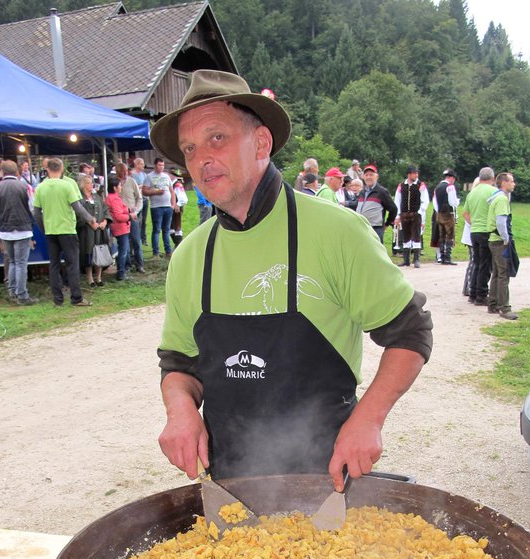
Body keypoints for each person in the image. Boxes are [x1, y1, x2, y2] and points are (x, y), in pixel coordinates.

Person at [151, 69, 432, 487]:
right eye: (189, 149)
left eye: (217, 138)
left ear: (261, 142)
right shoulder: (191, 254)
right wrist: (180, 411)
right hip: (229, 481)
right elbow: (179, 361)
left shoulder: (337, 231)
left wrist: (368, 420)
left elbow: (411, 333)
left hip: (327, 473)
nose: (201, 159)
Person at [33, 156, 96, 307]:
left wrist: (44, 228)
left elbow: (36, 212)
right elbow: (77, 207)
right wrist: (90, 218)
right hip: (67, 229)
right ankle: (76, 298)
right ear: (61, 169)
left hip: (51, 231)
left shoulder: (41, 187)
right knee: (72, 264)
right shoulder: (66, 185)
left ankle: (57, 299)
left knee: (54, 265)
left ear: (47, 169)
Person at [0, 160, 37, 305]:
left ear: (2, 172)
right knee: (21, 263)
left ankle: (12, 291)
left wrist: (2, 218)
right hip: (23, 230)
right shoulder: (26, 187)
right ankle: (22, 295)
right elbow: (34, 208)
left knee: (13, 261)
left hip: (5, 231)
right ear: (17, 172)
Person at [462, 167, 496, 305]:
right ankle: (481, 294)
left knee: (476, 262)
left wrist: (473, 222)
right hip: (486, 231)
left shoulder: (472, 193)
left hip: (474, 231)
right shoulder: (494, 192)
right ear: (492, 179)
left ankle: (473, 292)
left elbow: (465, 213)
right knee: (485, 264)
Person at [487, 172, 518, 320]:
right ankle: (504, 308)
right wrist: (506, 239)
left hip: (493, 239)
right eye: (512, 181)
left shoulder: (496, 197)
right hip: (499, 241)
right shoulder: (501, 199)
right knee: (504, 274)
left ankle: (492, 304)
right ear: (504, 183)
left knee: (496, 273)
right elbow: (501, 222)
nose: (514, 184)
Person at [76, 175, 110, 288]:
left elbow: (105, 209)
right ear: (83, 184)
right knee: (88, 253)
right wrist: (90, 223)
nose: (92, 185)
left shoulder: (97, 197)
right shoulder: (79, 198)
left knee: (99, 252)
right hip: (87, 232)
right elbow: (78, 214)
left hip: (99, 231)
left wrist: (105, 221)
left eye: (92, 183)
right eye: (89, 183)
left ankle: (99, 277)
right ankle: (90, 278)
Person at [395, 166, 429, 268]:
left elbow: (425, 200)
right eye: (414, 173)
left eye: (417, 173)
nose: (416, 175)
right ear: (409, 174)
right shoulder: (401, 186)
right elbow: (397, 201)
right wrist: (398, 214)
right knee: (406, 236)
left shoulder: (420, 185)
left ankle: (416, 259)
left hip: (416, 214)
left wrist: (419, 211)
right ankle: (406, 260)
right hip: (404, 214)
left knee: (416, 236)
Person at [142, 157, 176, 258]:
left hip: (168, 206)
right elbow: (144, 191)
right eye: (159, 165)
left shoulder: (166, 176)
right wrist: (156, 192)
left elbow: (172, 191)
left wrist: (173, 204)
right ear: (155, 165)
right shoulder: (149, 177)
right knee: (156, 229)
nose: (161, 167)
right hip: (156, 207)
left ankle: (168, 251)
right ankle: (156, 252)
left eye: (163, 165)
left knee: (166, 229)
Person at [115, 162, 144, 273]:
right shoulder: (114, 183)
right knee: (124, 243)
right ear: (118, 172)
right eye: (122, 172)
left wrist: (136, 210)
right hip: (121, 217)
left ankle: (139, 264)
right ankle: (127, 265)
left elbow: (139, 198)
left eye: (126, 171)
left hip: (132, 215)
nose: (125, 174)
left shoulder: (131, 181)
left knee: (136, 240)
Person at [356, 165, 397, 243]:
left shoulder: (382, 192)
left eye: (371, 175)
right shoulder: (362, 192)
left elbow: (393, 209)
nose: (368, 177)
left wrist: (387, 224)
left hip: (375, 229)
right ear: (363, 177)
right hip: (361, 228)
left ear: (376, 176)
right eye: (366, 175)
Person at [105, 176, 131, 281]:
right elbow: (118, 216)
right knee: (123, 251)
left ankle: (125, 269)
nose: (121, 187)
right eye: (120, 185)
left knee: (124, 249)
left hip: (120, 227)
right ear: (115, 188)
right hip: (121, 228)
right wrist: (129, 216)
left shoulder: (111, 197)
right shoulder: (114, 199)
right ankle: (121, 273)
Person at [433, 169, 459, 265]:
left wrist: (439, 211)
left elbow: (435, 203)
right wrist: (458, 202)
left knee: (441, 236)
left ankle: (442, 256)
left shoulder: (438, 187)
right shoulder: (450, 187)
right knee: (449, 235)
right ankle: (447, 257)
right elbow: (453, 202)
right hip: (448, 214)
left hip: (439, 213)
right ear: (451, 178)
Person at [131, 157, 149, 244]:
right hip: (137, 200)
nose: (143, 165)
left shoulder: (144, 175)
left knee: (144, 220)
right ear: (137, 164)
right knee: (138, 219)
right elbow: (133, 188)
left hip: (145, 199)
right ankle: (136, 238)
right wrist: (140, 186)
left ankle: (143, 238)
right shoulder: (133, 175)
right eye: (141, 164)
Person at [170, 170, 188, 248]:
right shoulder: (172, 184)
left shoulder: (177, 184)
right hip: (171, 207)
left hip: (176, 207)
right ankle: (177, 243)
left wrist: (178, 205)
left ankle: (178, 244)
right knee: (171, 227)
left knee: (176, 226)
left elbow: (183, 198)